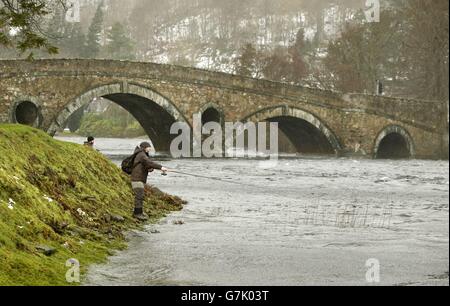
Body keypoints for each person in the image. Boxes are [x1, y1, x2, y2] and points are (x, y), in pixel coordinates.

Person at [131, 142, 168, 221]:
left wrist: (150, 168)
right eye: (148, 147)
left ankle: (139, 212)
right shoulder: (141, 154)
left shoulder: (141, 154)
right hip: (137, 179)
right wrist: (161, 167)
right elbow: (149, 162)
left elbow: (146, 165)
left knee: (140, 195)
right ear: (144, 147)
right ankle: (137, 214)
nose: (150, 149)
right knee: (139, 196)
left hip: (139, 178)